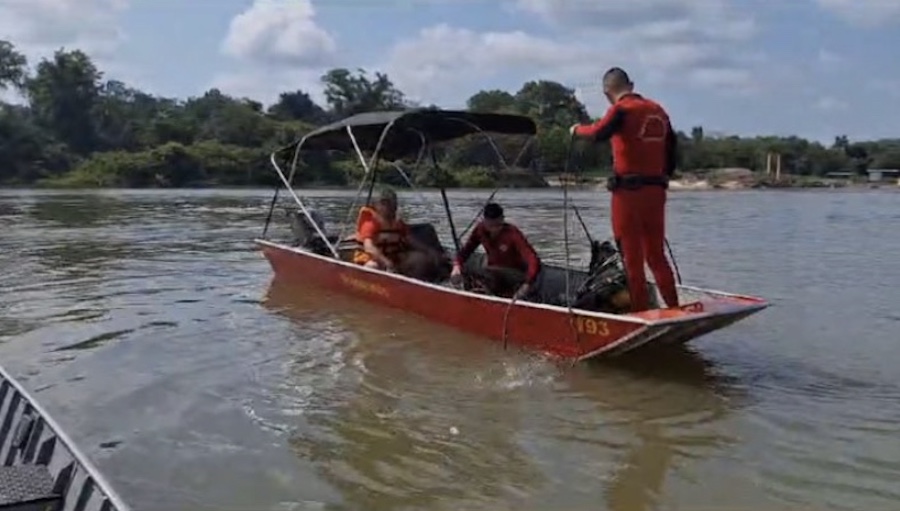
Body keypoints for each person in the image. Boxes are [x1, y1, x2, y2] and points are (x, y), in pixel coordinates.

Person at [569, 67, 679, 312]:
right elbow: (671, 152)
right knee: (656, 255)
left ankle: (640, 313)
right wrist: (662, 179)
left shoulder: (620, 110)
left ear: (607, 92)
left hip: (628, 194)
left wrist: (576, 129)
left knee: (632, 258)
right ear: (631, 84)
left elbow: (597, 132)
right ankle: (674, 307)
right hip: (656, 192)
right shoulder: (659, 110)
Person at [450, 202, 541, 299]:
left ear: (502, 220)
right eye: (490, 226)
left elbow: (532, 259)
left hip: (514, 272)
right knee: (467, 271)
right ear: (485, 221)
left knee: (489, 272)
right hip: (492, 270)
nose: (494, 229)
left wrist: (527, 283)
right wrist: (457, 266)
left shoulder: (513, 233)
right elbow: (466, 250)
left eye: (498, 225)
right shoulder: (480, 230)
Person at [353, 187, 445, 280]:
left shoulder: (398, 223)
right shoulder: (370, 222)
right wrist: (386, 262)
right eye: (385, 203)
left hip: (394, 258)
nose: (391, 207)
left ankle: (415, 284)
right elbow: (369, 247)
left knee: (420, 259)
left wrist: (429, 251)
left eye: (393, 203)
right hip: (374, 260)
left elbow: (410, 240)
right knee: (372, 267)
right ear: (376, 205)